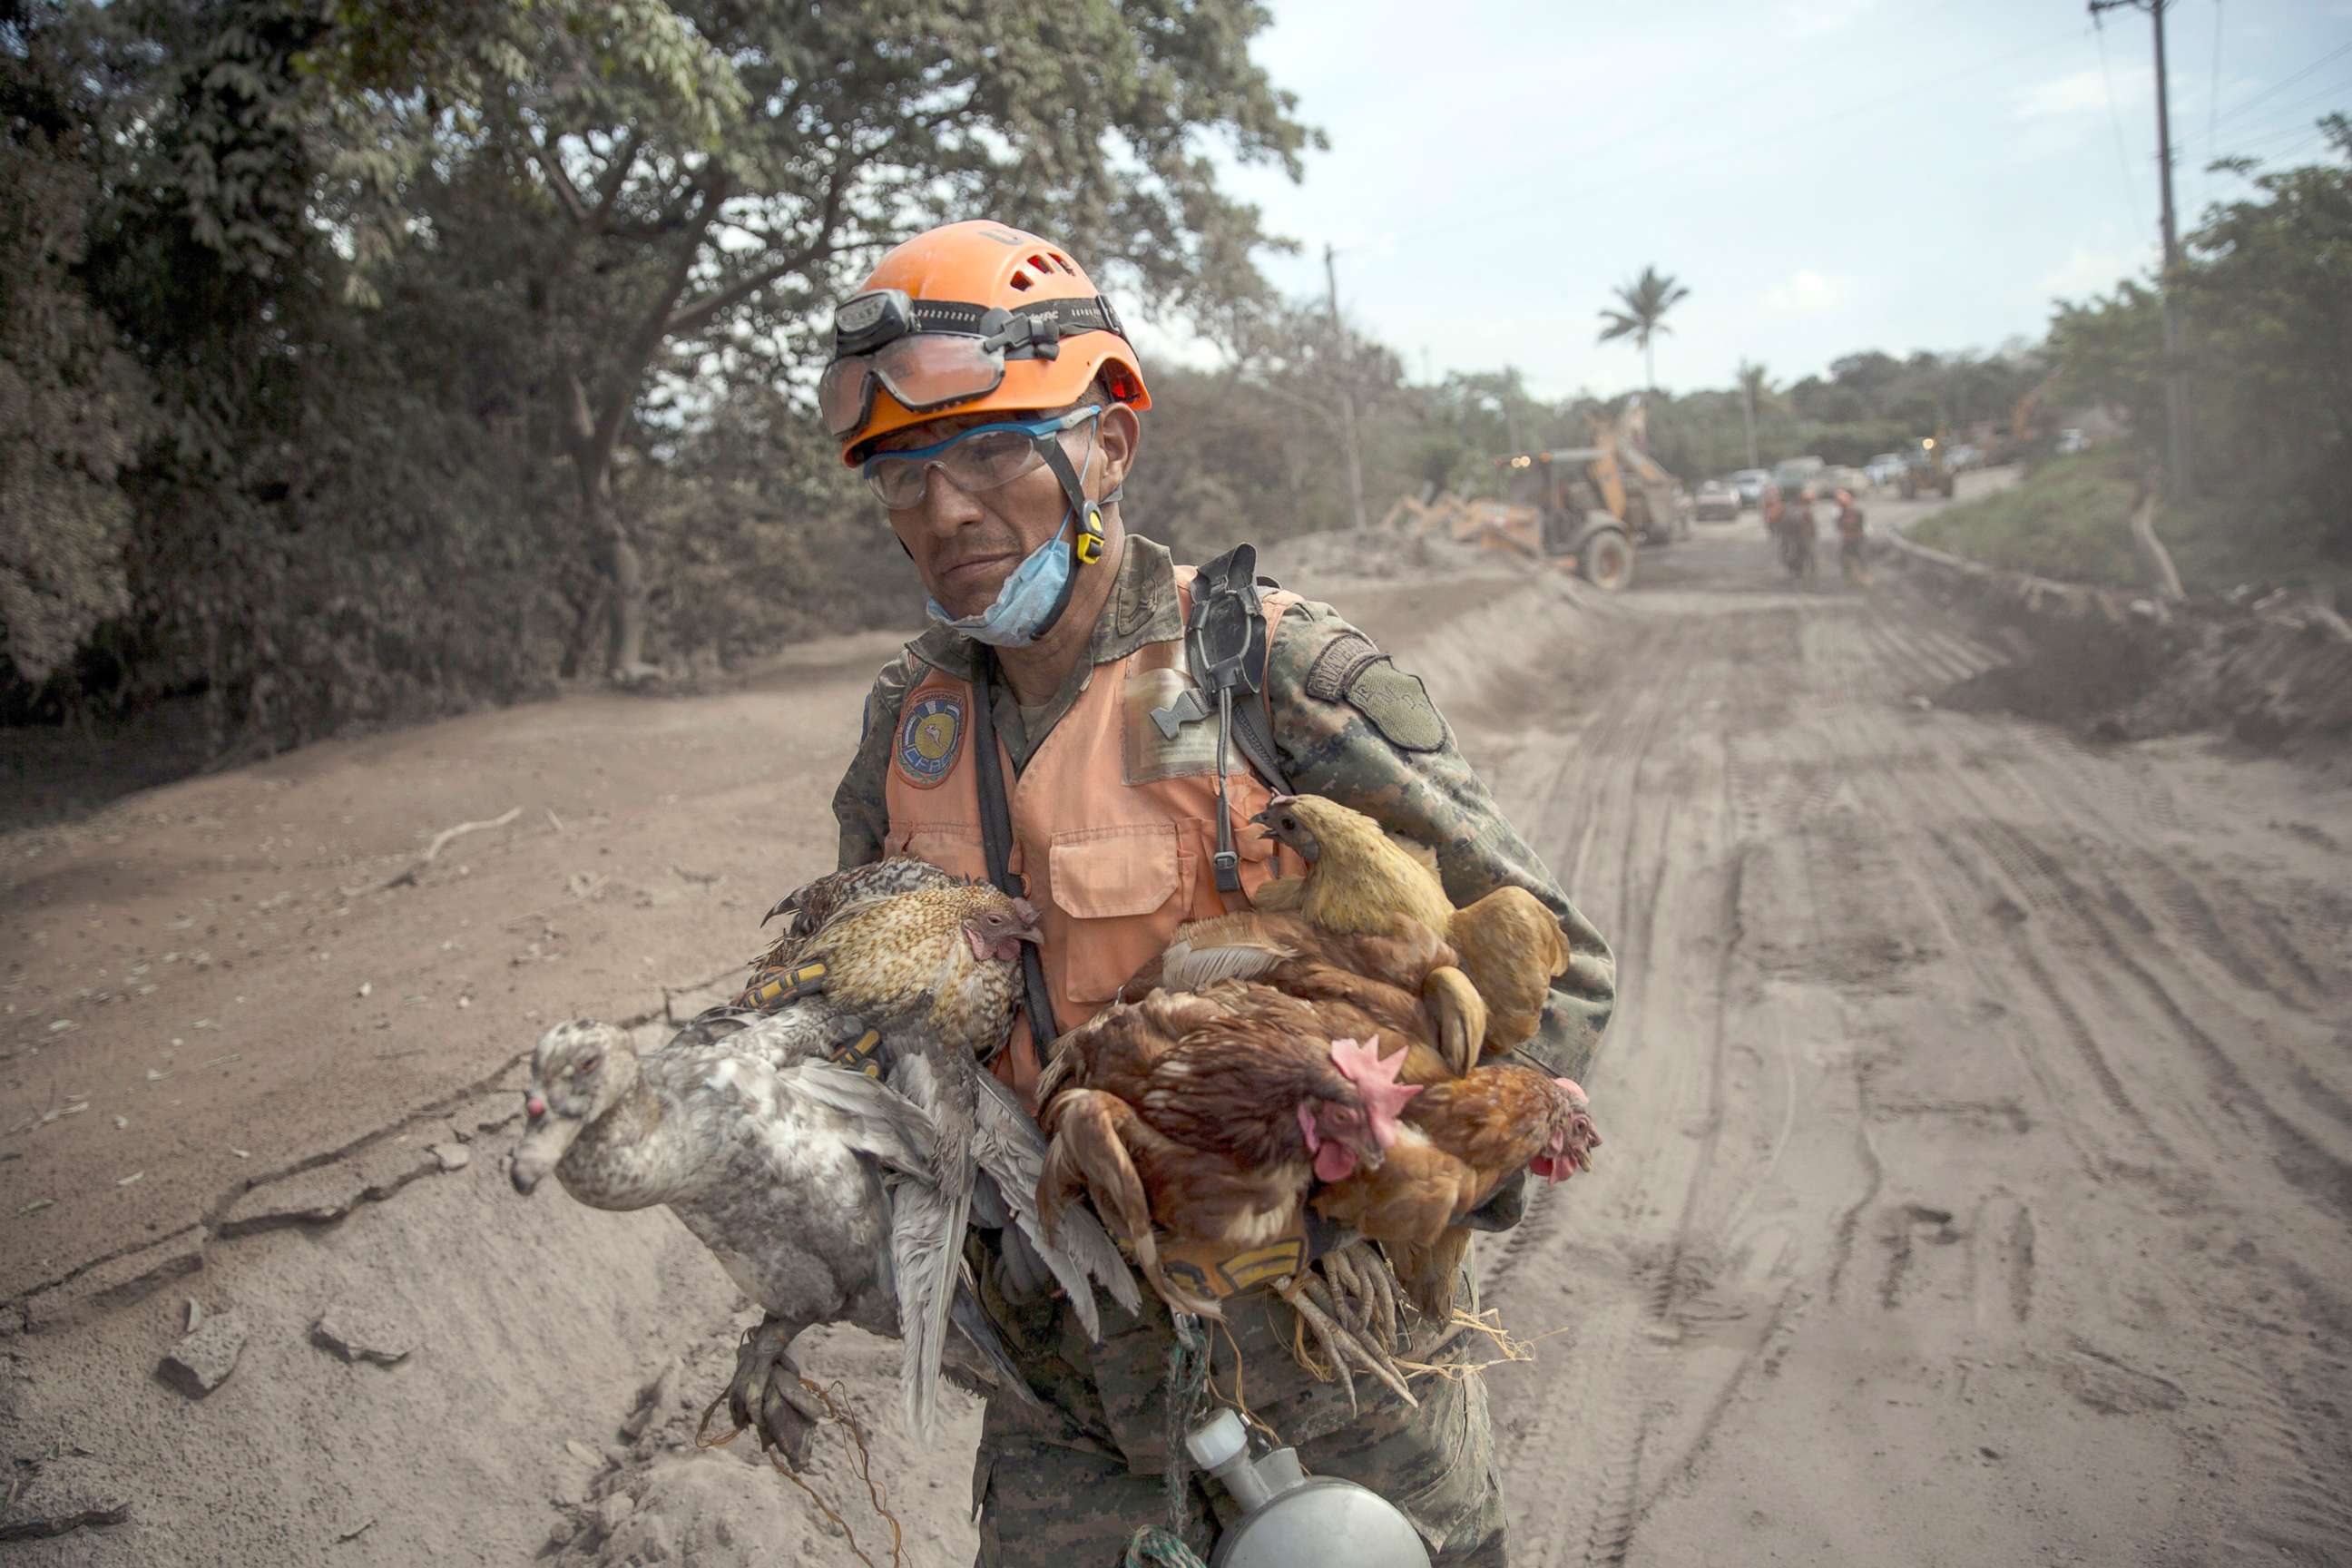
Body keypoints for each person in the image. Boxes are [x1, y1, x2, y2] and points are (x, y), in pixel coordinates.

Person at [819, 220, 1617, 1567]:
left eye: (992, 452)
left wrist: (1397, 1171)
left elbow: (1557, 966)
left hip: (1332, 1362)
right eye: (901, 475)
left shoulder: (1268, 672)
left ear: (1110, 445)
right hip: (1065, 1383)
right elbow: (864, 1014)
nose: (945, 511)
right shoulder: (911, 727)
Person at [1834, 488, 1868, 586]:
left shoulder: (1856, 512)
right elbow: (1839, 526)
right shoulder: (1840, 514)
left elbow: (1859, 525)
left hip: (1857, 539)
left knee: (1860, 557)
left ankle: (1863, 577)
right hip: (1847, 539)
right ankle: (1849, 579)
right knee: (1845, 559)